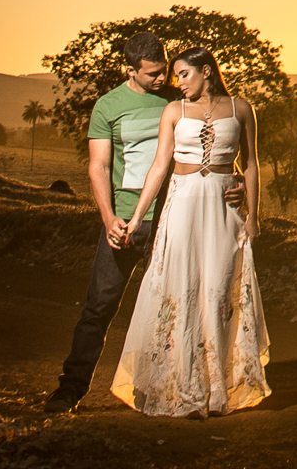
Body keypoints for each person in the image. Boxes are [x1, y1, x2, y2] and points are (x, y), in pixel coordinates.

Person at [43, 33, 242, 414]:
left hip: (178, 219)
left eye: (164, 70)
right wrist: (109, 219)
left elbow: (212, 142)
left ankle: (175, 388)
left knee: (179, 305)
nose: (161, 78)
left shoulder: (178, 97)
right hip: (126, 222)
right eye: (152, 73)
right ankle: (70, 389)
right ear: (130, 70)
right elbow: (98, 166)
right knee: (99, 306)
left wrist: (239, 186)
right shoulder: (108, 106)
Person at [110, 46, 270, 417]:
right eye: (175, 76)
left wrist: (252, 213)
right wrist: (136, 219)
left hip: (222, 208)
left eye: (184, 74)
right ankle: (180, 384)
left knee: (218, 289)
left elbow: (251, 162)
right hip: (182, 205)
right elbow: (158, 168)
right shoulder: (173, 111)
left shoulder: (241, 108)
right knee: (182, 287)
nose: (176, 82)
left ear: (207, 72)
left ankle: (217, 389)